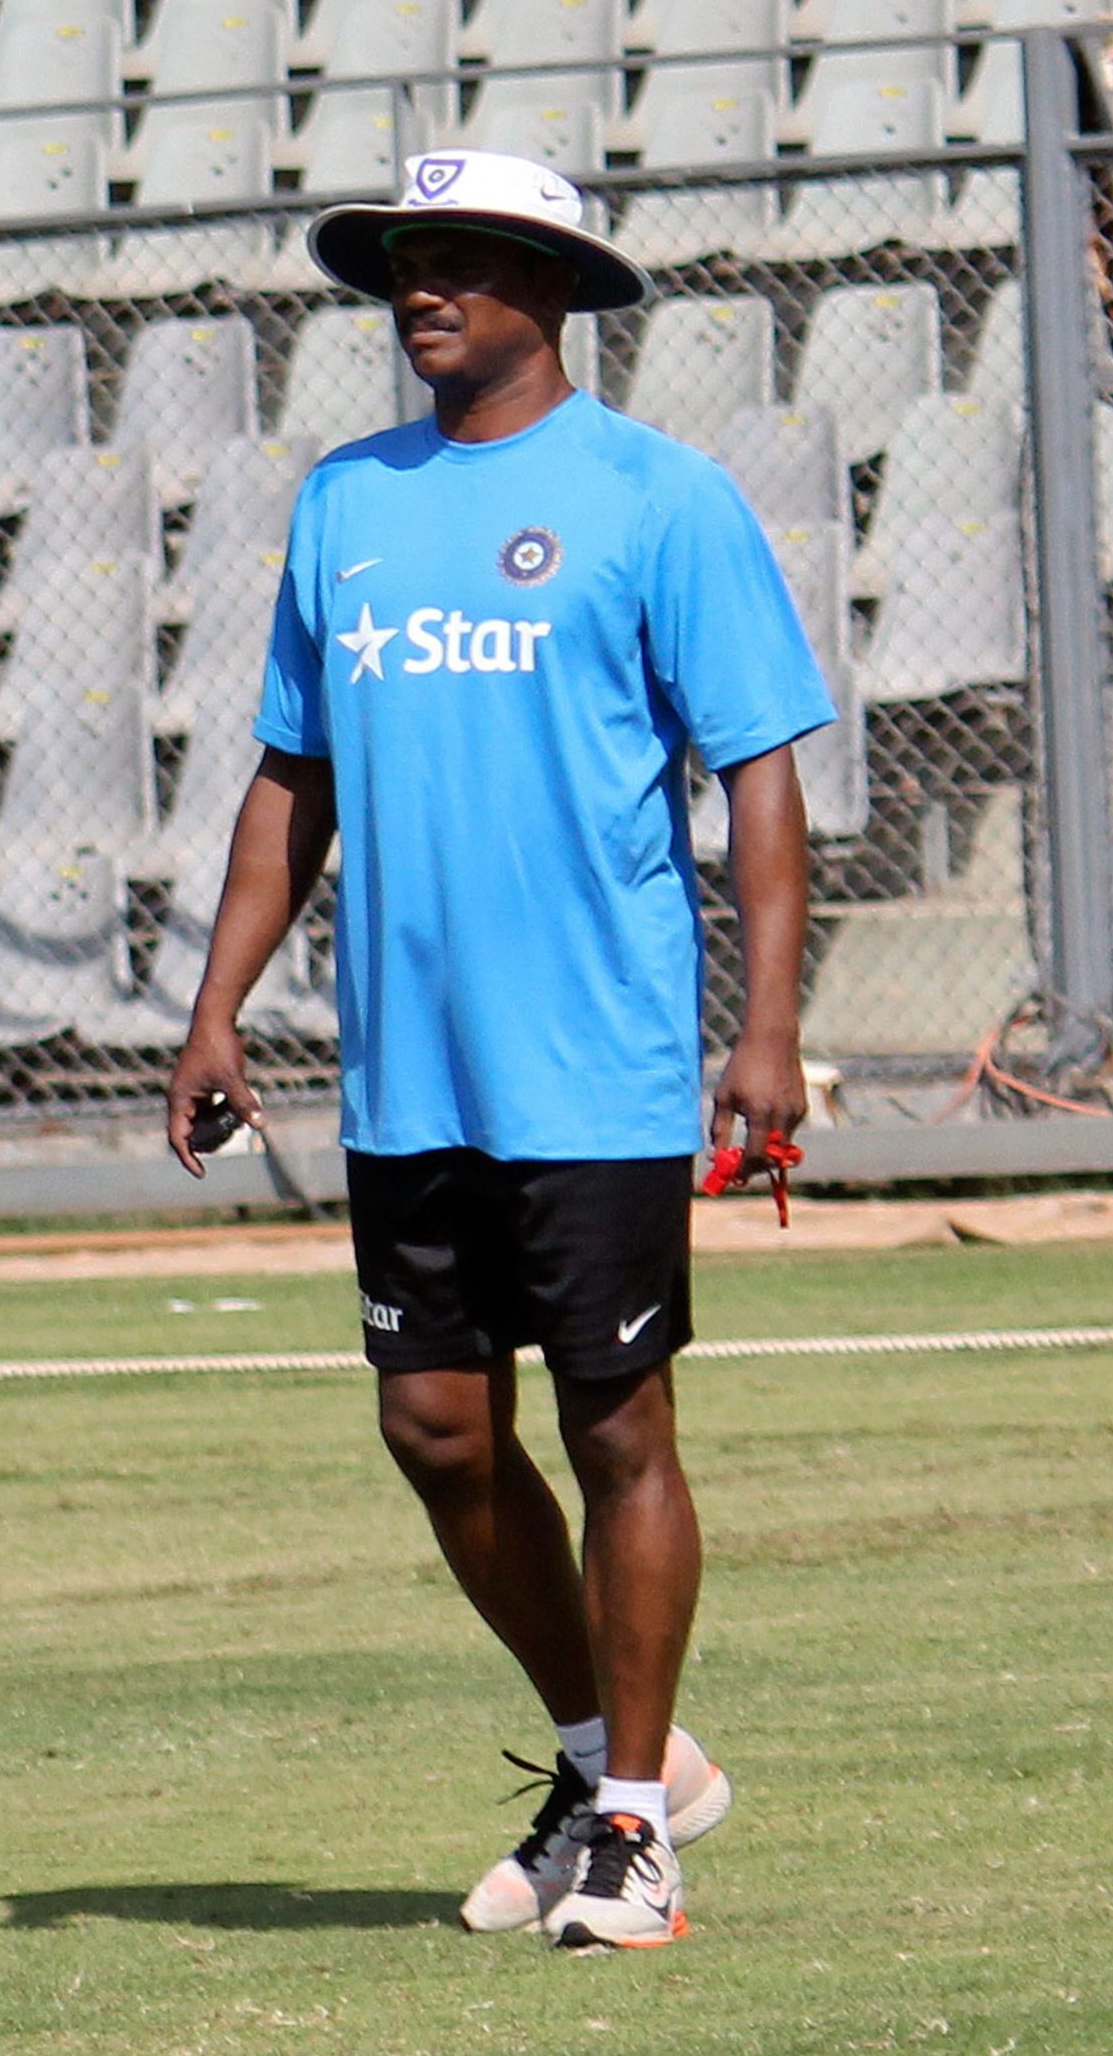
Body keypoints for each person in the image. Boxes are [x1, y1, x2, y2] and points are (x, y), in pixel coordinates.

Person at [168, 148, 835, 1952]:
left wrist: (767, 1031)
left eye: (461, 256)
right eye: (404, 258)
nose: (421, 284)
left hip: (600, 1062)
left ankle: (631, 1828)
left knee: (620, 1425)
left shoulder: (660, 500)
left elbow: (761, 774)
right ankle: (609, 1758)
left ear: (555, 286)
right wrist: (219, 1001)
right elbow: (287, 783)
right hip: (408, 1074)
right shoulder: (343, 504)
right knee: (437, 1428)